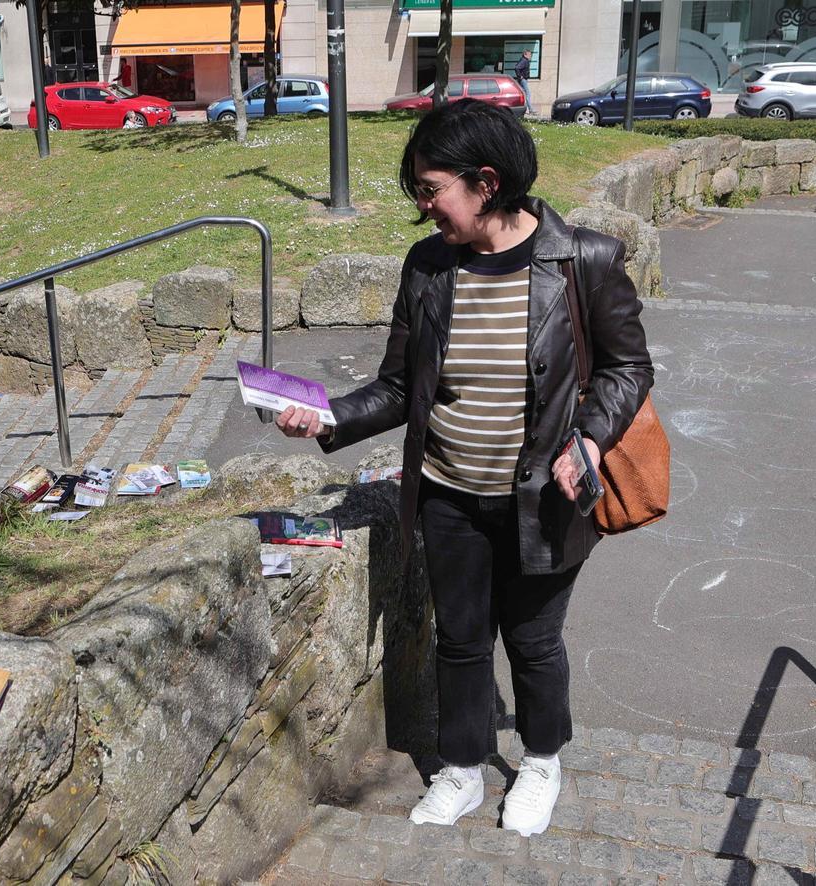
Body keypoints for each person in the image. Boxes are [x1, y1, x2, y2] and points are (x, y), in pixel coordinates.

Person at [275, 99, 653, 835]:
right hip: (447, 493)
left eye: (430, 189)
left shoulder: (585, 261)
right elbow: (397, 387)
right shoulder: (429, 266)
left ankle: (541, 760)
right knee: (461, 638)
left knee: (535, 641)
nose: (423, 208)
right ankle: (463, 768)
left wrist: (590, 440)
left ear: (486, 182)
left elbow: (628, 369)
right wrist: (328, 416)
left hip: (546, 497)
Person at [513, 49, 534, 118]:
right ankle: (531, 110)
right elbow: (517, 68)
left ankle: (521, 108)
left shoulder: (524, 60)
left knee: (521, 94)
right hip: (523, 80)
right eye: (529, 54)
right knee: (528, 94)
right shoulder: (524, 60)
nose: (530, 56)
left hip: (523, 79)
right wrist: (520, 77)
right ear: (525, 54)